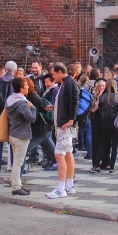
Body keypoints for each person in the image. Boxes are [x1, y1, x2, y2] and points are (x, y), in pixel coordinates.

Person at [45, 62, 80, 199]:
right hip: (64, 124)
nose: (53, 76)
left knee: (59, 154)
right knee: (67, 153)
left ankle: (61, 188)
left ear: (60, 72)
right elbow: (68, 102)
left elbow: (74, 100)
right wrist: (55, 107)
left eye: (54, 73)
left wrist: (71, 119)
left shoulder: (69, 83)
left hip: (65, 125)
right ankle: (69, 185)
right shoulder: (65, 84)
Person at [5, 77, 37, 195]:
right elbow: (32, 118)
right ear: (21, 88)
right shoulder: (22, 103)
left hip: (12, 133)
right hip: (21, 135)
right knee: (18, 163)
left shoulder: (10, 99)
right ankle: (16, 187)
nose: (28, 87)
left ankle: (18, 184)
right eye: (26, 85)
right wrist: (33, 107)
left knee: (16, 162)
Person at [93, 78, 118, 173]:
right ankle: (112, 167)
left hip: (105, 123)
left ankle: (96, 165)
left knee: (102, 145)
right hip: (115, 124)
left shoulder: (102, 97)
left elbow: (98, 109)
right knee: (114, 146)